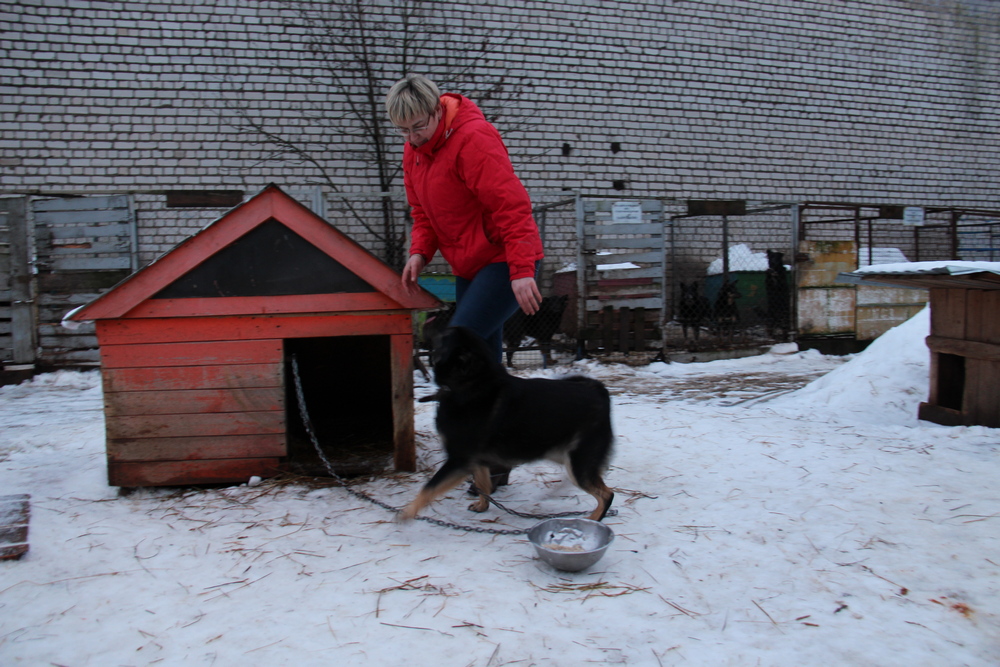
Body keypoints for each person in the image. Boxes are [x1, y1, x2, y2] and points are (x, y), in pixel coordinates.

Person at [386, 73, 544, 492]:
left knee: (461, 346)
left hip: (503, 261)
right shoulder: (413, 152)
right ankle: (496, 456)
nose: (413, 138)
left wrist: (522, 268)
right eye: (403, 131)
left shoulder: (473, 139)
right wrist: (420, 250)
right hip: (469, 266)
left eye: (419, 126)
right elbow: (422, 212)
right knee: (486, 363)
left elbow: (511, 205)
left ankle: (485, 442)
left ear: (439, 110)